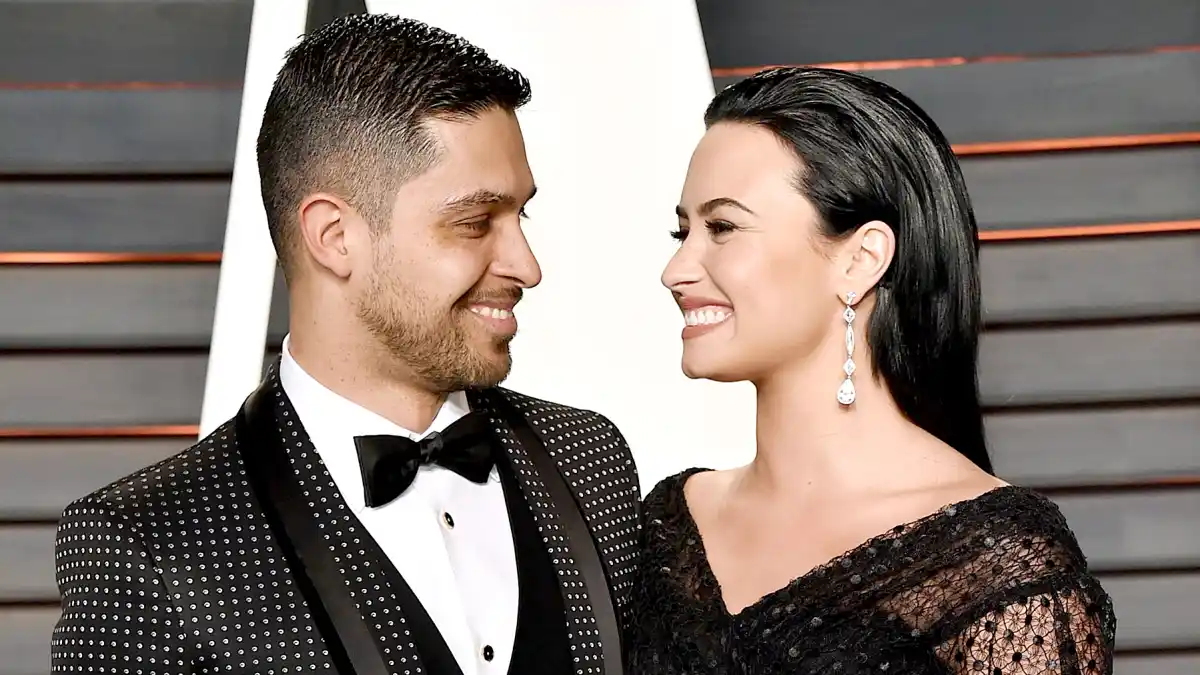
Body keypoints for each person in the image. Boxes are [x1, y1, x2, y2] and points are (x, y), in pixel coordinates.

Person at [51, 15, 640, 675]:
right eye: (476, 221)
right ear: (334, 236)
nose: (527, 265)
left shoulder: (591, 461)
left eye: (519, 215)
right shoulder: (149, 539)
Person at [628, 67, 1115, 674]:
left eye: (722, 227)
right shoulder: (663, 528)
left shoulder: (1000, 565)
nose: (676, 269)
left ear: (860, 260)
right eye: (683, 231)